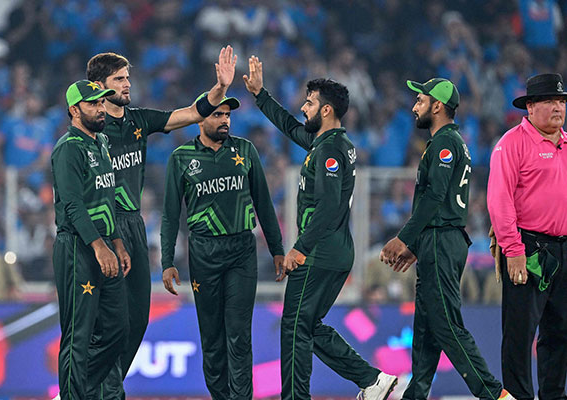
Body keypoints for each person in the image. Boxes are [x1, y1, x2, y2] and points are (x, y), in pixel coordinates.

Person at [85, 46, 236, 398]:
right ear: (98, 85)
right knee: (107, 321)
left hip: (134, 226)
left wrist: (220, 90)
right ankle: (88, 389)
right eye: (119, 79)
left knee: (137, 319)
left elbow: (189, 114)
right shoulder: (91, 127)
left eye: (128, 78)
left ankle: (93, 387)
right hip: (103, 226)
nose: (127, 84)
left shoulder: (138, 120)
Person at [243, 55, 397, 400]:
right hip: (333, 251)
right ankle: (373, 381)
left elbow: (330, 206)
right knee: (307, 327)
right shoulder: (328, 143)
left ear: (326, 110)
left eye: (309, 102)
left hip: (320, 252)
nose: (303, 107)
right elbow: (289, 125)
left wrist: (300, 248)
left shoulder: (330, 151)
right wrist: (259, 94)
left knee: (295, 328)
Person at [379, 78, 507, 399]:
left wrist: (405, 239)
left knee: (447, 325)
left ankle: (495, 395)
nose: (414, 106)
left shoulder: (445, 144)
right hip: (436, 240)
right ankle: (416, 394)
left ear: (437, 106)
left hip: (442, 239)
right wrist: (417, 245)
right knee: (425, 329)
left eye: (420, 101)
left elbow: (435, 196)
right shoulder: (447, 142)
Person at [161, 93, 285, 399]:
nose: (224, 120)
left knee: (239, 335)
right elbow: (170, 214)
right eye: (217, 115)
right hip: (203, 253)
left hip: (243, 250)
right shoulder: (181, 158)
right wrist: (167, 260)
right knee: (213, 338)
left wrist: (277, 248)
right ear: (201, 118)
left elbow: (263, 203)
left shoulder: (245, 150)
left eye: (228, 115)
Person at [487, 73, 567, 400]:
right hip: (528, 247)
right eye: (549, 101)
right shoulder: (511, 144)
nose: (558, 108)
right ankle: (519, 397)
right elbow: (499, 199)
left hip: (564, 249)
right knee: (520, 335)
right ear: (531, 107)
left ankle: (554, 395)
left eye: (561, 101)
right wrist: (513, 249)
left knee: (561, 331)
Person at [51, 80, 131, 400]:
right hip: (77, 248)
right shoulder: (68, 148)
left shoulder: (101, 143)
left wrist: (116, 241)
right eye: (93, 104)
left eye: (101, 103)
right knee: (78, 335)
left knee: (117, 329)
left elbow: (105, 198)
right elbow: (73, 204)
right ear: (74, 110)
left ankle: (74, 390)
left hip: (104, 247)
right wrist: (99, 246)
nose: (101, 109)